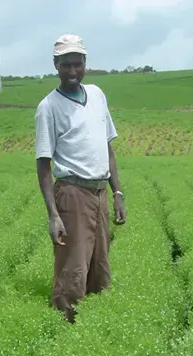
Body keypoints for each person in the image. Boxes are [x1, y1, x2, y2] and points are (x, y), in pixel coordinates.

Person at [34, 34, 127, 323]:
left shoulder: (97, 95)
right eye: (65, 65)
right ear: (55, 65)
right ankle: (66, 331)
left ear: (85, 63)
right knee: (73, 270)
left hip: (99, 193)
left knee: (100, 266)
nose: (72, 72)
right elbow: (43, 165)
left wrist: (117, 193)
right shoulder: (48, 107)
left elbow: (106, 147)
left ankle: (95, 327)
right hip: (72, 193)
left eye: (77, 64)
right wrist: (53, 215)